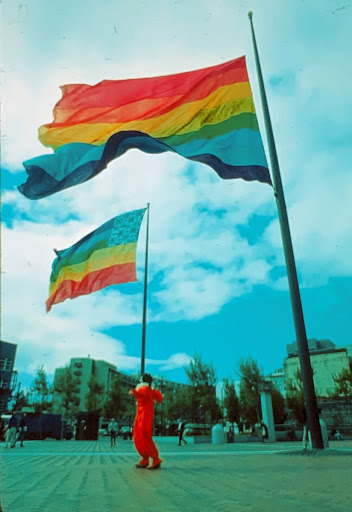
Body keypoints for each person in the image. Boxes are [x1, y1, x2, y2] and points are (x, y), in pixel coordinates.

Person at [129, 373, 163, 470]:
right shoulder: (150, 389)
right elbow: (159, 398)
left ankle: (155, 459)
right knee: (140, 436)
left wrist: (133, 392)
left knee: (143, 436)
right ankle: (145, 459)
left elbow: (142, 394)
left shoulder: (144, 389)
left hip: (144, 416)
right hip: (143, 415)